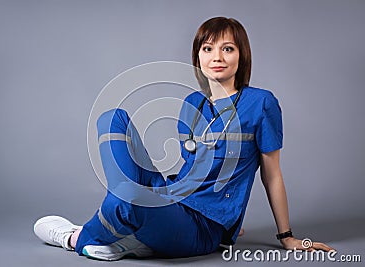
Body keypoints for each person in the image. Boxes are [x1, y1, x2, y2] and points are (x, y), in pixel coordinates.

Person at [34, 17, 334, 261]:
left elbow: (272, 174)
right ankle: (128, 222)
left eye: (227, 48)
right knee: (111, 118)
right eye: (207, 48)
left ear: (242, 55)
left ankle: (77, 237)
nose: (216, 57)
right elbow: (191, 170)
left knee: (129, 197)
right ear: (198, 57)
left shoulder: (262, 103)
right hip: (171, 197)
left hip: (202, 228)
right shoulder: (191, 103)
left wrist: (286, 236)